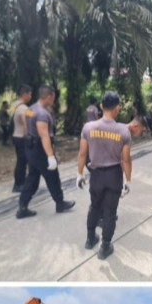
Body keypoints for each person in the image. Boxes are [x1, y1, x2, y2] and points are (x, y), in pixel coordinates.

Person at [77, 90, 131, 260]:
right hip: (114, 175)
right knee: (110, 211)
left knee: (94, 206)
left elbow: (82, 154)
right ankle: (105, 247)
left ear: (101, 106)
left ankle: (90, 239)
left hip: (96, 175)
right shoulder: (123, 130)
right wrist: (128, 180)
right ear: (118, 108)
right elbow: (126, 159)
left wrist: (79, 174)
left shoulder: (88, 128)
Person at [17, 86, 74, 220]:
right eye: (53, 97)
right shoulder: (42, 114)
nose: (54, 100)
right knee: (52, 176)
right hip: (40, 149)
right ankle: (60, 203)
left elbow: (27, 127)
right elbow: (44, 136)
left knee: (32, 177)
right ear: (49, 96)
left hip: (31, 147)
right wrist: (50, 156)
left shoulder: (30, 109)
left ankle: (22, 206)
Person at [10, 85, 32, 192]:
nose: (30, 96)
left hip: (15, 136)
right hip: (22, 137)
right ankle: (19, 184)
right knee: (22, 162)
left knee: (20, 160)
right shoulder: (24, 108)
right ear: (25, 94)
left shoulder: (14, 105)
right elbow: (26, 123)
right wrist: (29, 136)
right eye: (30, 94)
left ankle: (20, 181)